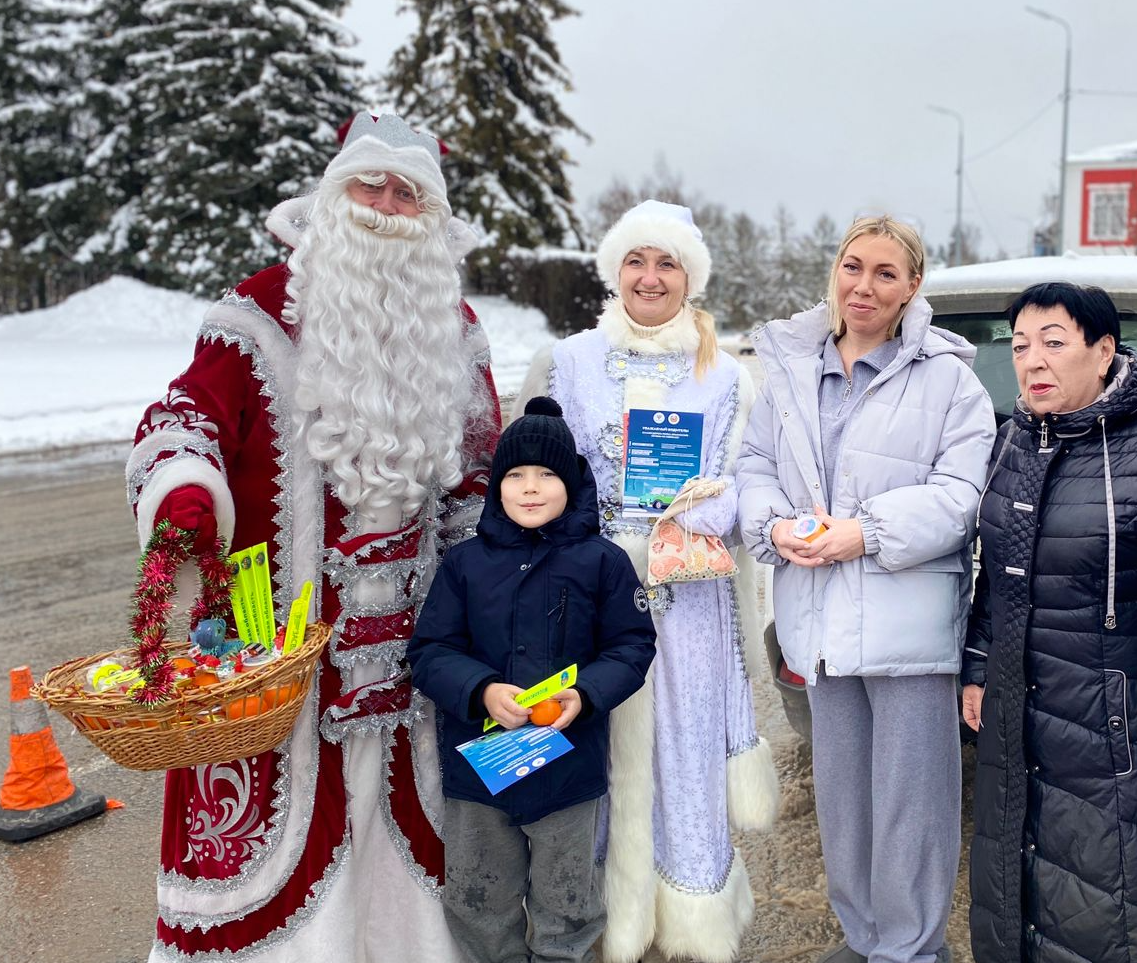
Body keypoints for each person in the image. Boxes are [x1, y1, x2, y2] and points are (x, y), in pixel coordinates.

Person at [126, 111, 500, 962]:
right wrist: (187, 491)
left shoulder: (458, 328)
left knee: (417, 879)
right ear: (332, 194)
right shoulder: (254, 313)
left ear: (432, 220)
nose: (385, 203)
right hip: (276, 663)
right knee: (273, 882)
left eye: (408, 193)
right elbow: (184, 418)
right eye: (369, 183)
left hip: (414, 670)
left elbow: (479, 476)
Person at [509, 199, 778, 963]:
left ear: (689, 277)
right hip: (586, 594)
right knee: (584, 742)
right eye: (637, 260)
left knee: (682, 750)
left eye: (667, 263)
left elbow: (750, 484)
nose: (650, 276)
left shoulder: (726, 376)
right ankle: (588, 922)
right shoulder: (568, 362)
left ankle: (687, 922)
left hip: (686, 597)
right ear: (614, 270)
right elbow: (529, 474)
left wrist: (709, 501)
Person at [737, 215, 996, 963]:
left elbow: (960, 496)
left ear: (913, 286)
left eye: (887, 273)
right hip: (817, 623)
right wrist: (776, 527)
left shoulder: (950, 379)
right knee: (843, 804)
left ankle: (911, 949)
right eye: (854, 266)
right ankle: (864, 939)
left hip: (905, 629)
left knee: (912, 807)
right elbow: (755, 467)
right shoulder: (788, 367)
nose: (865, 286)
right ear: (835, 270)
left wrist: (866, 533)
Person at [959, 281, 1137, 963]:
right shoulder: (1013, 443)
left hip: (1120, 729)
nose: (1032, 362)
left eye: (1054, 343)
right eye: (1019, 346)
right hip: (1021, 710)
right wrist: (981, 667)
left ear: (1104, 351)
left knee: (1130, 904)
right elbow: (998, 576)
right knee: (1019, 884)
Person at [408, 397, 656, 963]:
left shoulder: (604, 562)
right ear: (497, 485)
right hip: (480, 768)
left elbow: (633, 644)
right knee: (479, 897)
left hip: (568, 765)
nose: (530, 487)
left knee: (567, 899)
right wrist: (482, 690)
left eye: (547, 474)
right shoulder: (464, 564)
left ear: (573, 482)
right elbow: (431, 650)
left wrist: (587, 694)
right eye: (515, 474)